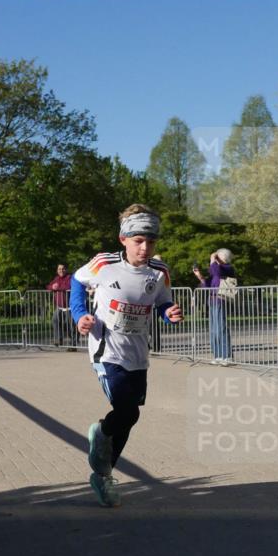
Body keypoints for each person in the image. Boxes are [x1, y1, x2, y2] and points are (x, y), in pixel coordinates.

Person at [70, 204, 182, 507]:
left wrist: (167, 313)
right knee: (127, 411)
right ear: (123, 239)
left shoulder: (159, 272)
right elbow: (77, 282)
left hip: (138, 352)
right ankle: (103, 466)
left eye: (151, 242)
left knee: (129, 416)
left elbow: (161, 302)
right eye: (138, 241)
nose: (145, 248)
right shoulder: (103, 263)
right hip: (106, 350)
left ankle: (103, 459)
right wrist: (80, 315)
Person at [194, 248, 236, 365]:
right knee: (214, 330)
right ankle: (218, 355)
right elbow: (208, 285)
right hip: (212, 301)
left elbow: (217, 271)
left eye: (218, 257)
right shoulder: (216, 270)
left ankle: (227, 356)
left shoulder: (227, 268)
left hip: (221, 300)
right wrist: (200, 276)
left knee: (221, 328)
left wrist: (213, 258)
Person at [46, 263, 75, 348]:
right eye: (59, 269)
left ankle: (73, 344)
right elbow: (48, 286)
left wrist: (57, 288)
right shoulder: (56, 278)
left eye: (63, 269)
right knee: (55, 320)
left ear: (66, 269)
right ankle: (58, 340)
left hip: (69, 307)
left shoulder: (70, 278)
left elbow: (68, 286)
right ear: (57, 270)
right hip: (59, 307)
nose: (61, 270)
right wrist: (52, 287)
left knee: (70, 325)